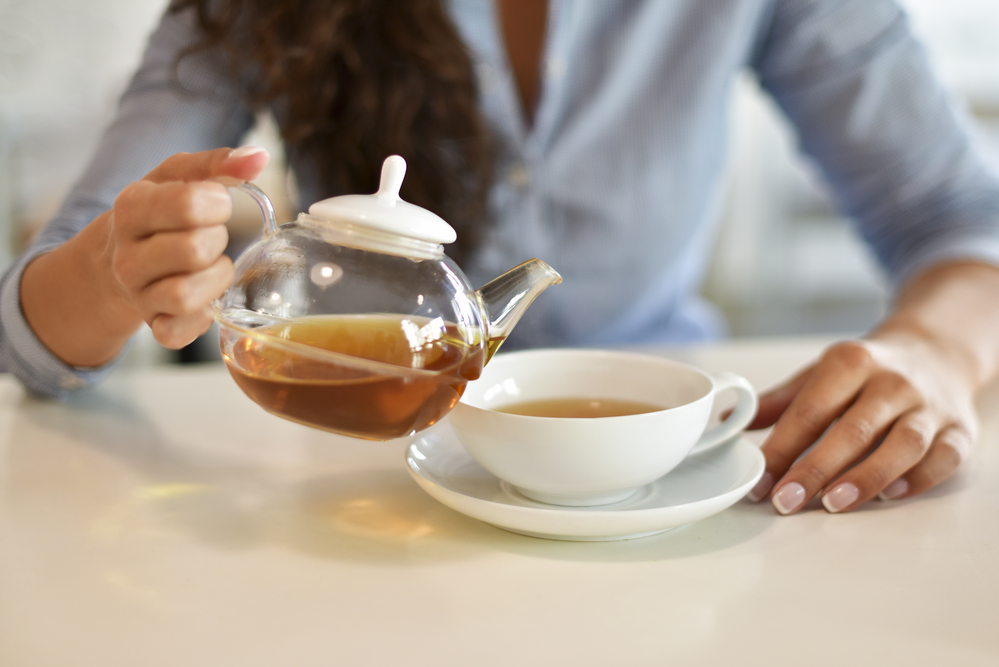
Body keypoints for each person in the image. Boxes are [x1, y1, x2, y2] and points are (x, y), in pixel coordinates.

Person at [2, 0, 998, 517]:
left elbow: (959, 214)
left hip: (660, 479)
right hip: (361, 489)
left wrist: (934, 351)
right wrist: (115, 267)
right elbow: (29, 330)